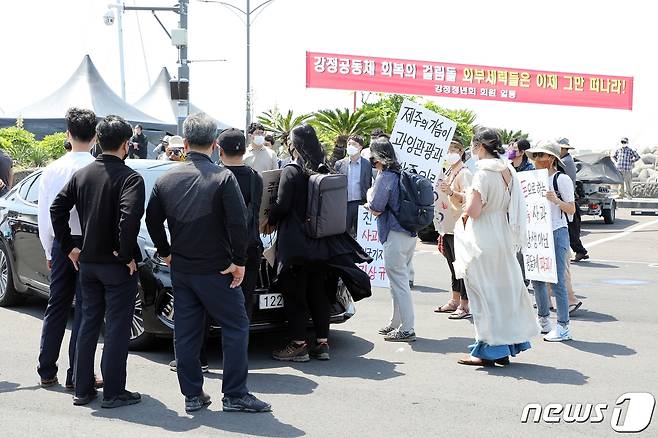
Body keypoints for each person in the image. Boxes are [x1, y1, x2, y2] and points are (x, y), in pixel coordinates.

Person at [145, 113, 270, 414]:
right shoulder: (223, 177)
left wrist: (165, 251)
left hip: (183, 268)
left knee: (186, 331)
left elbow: (151, 220)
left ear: (185, 143)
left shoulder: (166, 178)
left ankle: (192, 394)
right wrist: (238, 261)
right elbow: (238, 224)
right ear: (214, 145)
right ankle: (235, 393)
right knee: (236, 325)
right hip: (217, 269)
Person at [51, 115, 145, 408]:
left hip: (87, 263)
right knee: (116, 327)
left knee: (88, 324)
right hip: (116, 265)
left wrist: (69, 246)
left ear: (98, 140)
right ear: (126, 144)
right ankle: (114, 391)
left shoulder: (82, 175)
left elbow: (57, 208)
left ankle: (82, 388)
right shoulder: (131, 178)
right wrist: (126, 254)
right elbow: (129, 218)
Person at [266, 124, 372, 360]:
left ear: (293, 145)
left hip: (296, 246)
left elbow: (282, 206)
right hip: (322, 243)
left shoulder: (292, 171)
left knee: (295, 294)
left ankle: (298, 344)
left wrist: (269, 218)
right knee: (318, 292)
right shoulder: (326, 168)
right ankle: (322, 343)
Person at [454, 127, 538, 366]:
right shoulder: (506, 170)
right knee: (501, 292)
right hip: (502, 233)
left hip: (483, 236)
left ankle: (488, 348)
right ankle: (504, 345)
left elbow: (474, 210)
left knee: (483, 293)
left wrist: (467, 197)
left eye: (473, 145)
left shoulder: (481, 173)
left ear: (480, 146)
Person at [36, 107, 100, 390]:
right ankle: (77, 373)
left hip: (62, 244)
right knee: (86, 311)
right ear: (96, 135)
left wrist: (50, 250)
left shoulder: (53, 169)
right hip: (89, 244)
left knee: (57, 307)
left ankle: (47, 369)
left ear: (68, 134)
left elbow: (45, 215)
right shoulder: (97, 168)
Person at [365, 137, 418, 342]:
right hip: (408, 233)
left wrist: (369, 196)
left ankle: (407, 328)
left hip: (394, 234)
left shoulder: (385, 177)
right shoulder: (400, 173)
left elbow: (377, 207)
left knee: (399, 283)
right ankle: (396, 322)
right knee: (397, 281)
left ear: (378, 156)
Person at [526, 140, 577, 342]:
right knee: (537, 277)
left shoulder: (561, 179)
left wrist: (555, 200)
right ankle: (544, 320)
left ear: (552, 158)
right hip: (537, 232)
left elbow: (571, 209)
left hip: (556, 230)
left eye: (542, 155)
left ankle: (563, 326)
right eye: (536, 155)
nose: (537, 159)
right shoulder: (530, 179)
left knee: (557, 281)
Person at [218, 128, 264, 319]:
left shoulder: (215, 176)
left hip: (220, 249)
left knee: (212, 305)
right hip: (250, 247)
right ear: (244, 151)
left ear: (219, 150)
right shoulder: (256, 178)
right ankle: (240, 346)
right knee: (243, 307)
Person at [433, 140, 473, 319]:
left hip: (459, 225)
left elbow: (468, 197)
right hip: (447, 226)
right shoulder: (449, 171)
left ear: (461, 151)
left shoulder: (464, 173)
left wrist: (451, 193)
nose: (449, 154)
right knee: (452, 265)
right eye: (447, 151)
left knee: (461, 266)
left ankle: (464, 304)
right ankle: (454, 299)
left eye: (453, 150)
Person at [334, 135, 373, 237]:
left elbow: (369, 184)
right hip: (344, 205)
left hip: (361, 204)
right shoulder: (339, 164)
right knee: (343, 235)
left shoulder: (367, 164)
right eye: (349, 144)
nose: (350, 146)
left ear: (360, 147)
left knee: (361, 235)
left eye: (354, 144)